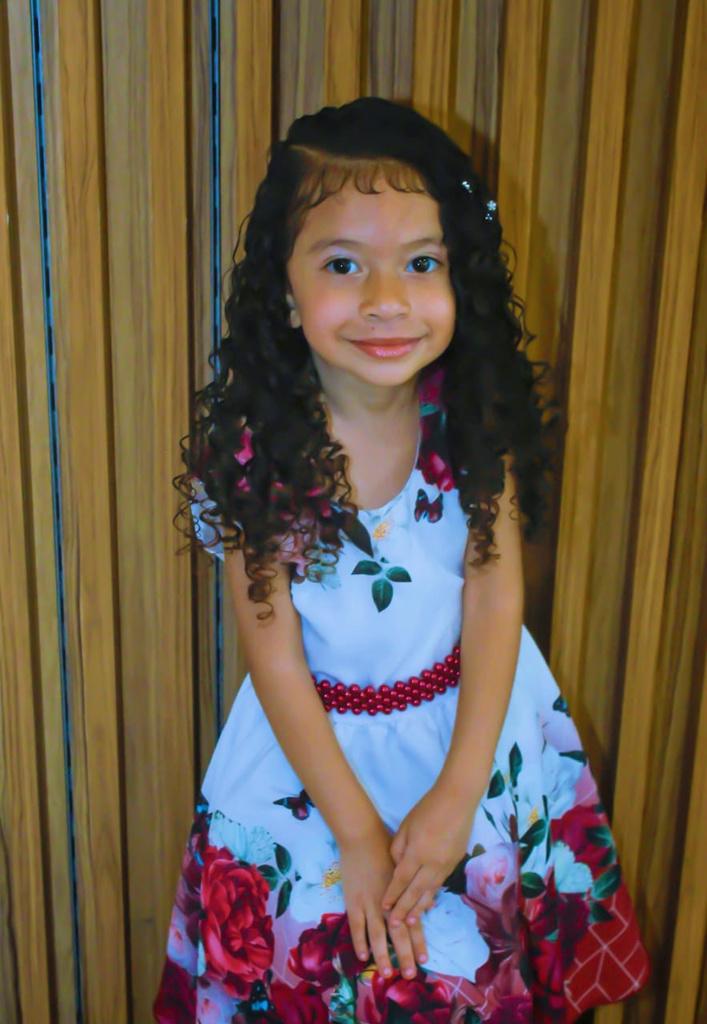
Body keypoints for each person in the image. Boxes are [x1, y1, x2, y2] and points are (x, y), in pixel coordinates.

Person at [153, 97, 650, 1023]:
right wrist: (354, 832)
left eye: (421, 263)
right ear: (284, 289)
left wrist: (459, 794)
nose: (386, 298)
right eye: (343, 264)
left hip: (472, 734)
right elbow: (270, 648)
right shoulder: (258, 453)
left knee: (474, 979)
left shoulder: (470, 422)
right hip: (313, 765)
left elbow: (494, 592)